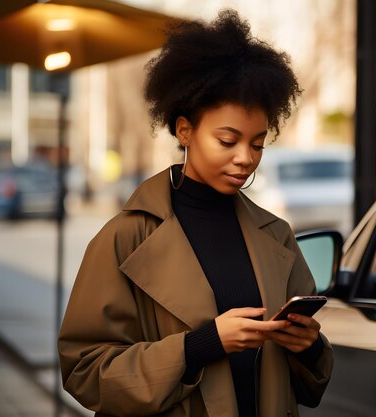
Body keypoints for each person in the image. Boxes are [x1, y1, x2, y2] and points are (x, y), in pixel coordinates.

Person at [57, 10, 333, 417]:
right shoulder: (126, 237)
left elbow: (308, 385)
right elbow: (85, 372)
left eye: (257, 144)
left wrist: (308, 348)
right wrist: (201, 345)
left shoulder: (277, 234)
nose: (245, 159)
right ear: (184, 130)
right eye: (227, 140)